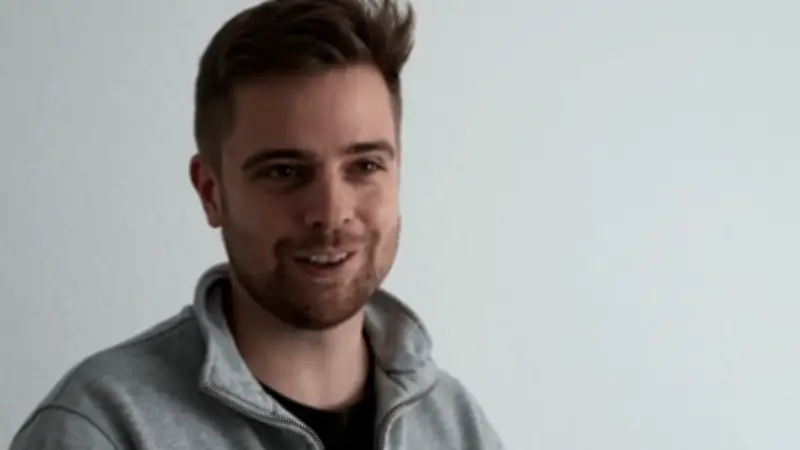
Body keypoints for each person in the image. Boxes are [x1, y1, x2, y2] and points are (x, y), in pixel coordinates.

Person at [10, 0, 503, 449]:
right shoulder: (102, 427)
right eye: (284, 172)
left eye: (365, 166)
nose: (331, 212)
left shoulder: (455, 425)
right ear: (211, 192)